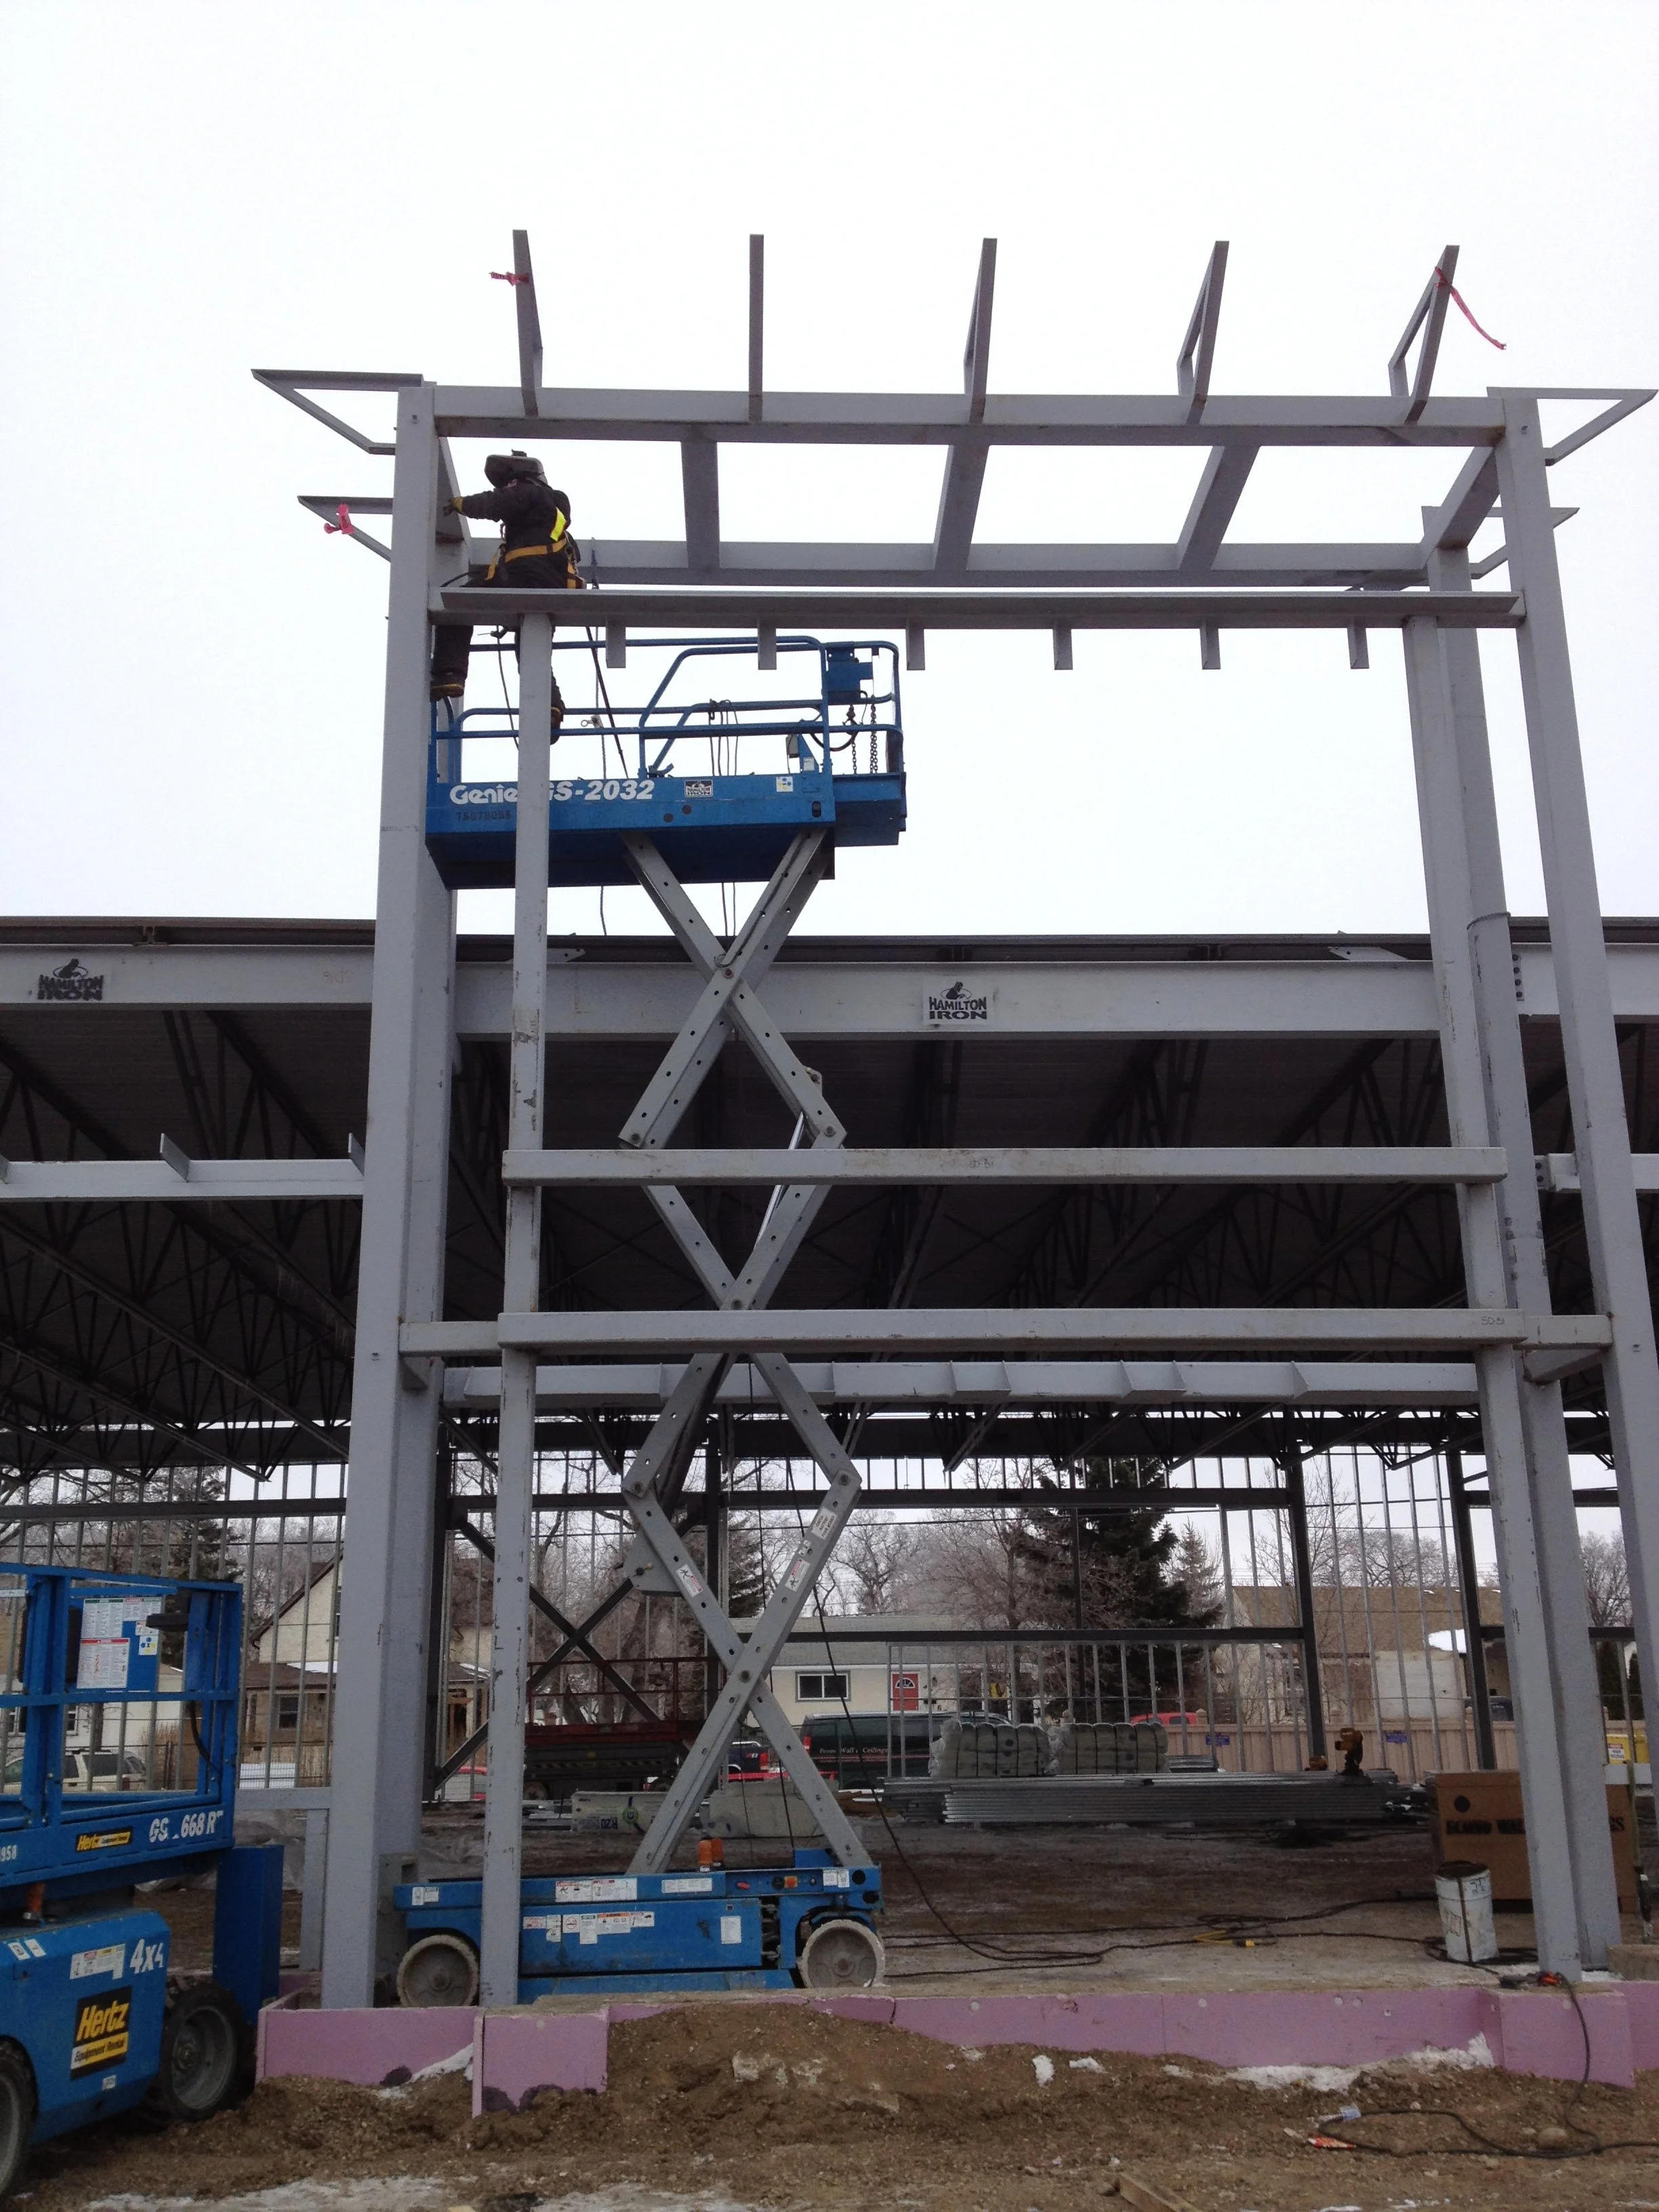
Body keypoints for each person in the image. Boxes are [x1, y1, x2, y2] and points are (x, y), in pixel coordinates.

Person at [430, 451, 581, 725]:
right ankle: (550, 706)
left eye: (511, 483)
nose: (508, 488)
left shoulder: (532, 495)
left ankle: (449, 673)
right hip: (549, 582)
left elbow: (498, 503)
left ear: (524, 480)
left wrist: (462, 504)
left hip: (524, 574)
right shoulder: (554, 518)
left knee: (458, 602)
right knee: (530, 645)